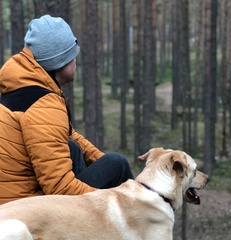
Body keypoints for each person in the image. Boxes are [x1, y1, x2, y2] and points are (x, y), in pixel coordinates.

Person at [0, 15, 134, 205]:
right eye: (73, 56)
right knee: (117, 164)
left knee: (74, 148)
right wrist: (109, 203)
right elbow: (61, 190)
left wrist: (100, 160)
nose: (76, 61)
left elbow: (66, 134)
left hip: (14, 202)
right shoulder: (44, 106)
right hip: (26, 212)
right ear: (59, 61)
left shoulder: (24, 90)